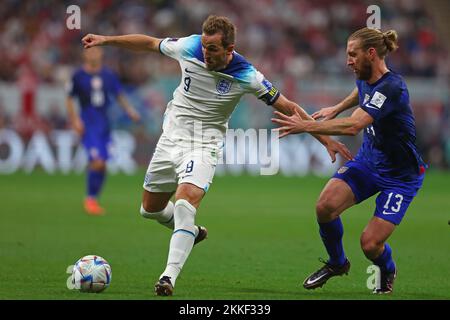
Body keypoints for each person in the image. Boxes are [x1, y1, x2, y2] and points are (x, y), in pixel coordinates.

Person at [82, 15, 352, 296]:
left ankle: (168, 277)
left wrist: (324, 139)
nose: (206, 53)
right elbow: (149, 43)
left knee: (185, 204)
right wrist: (106, 40)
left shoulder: (247, 74)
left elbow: (288, 106)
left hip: (204, 144)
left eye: (213, 49)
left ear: (229, 49)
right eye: (205, 46)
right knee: (149, 210)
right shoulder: (189, 46)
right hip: (170, 138)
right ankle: (191, 233)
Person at [272, 27, 426, 294]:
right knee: (325, 207)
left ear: (371, 53)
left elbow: (354, 126)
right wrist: (336, 107)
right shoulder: (365, 75)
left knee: (370, 244)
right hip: (369, 160)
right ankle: (337, 263)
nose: (348, 61)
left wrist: (306, 126)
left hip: (401, 177)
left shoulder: (392, 86)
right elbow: (360, 92)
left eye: (352, 55)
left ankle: (387, 268)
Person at [66, 47, 140, 215]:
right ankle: (90, 199)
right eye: (90, 51)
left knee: (103, 164)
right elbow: (69, 98)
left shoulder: (109, 75)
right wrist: (75, 120)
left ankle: (94, 199)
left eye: (96, 51)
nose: (93, 54)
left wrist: (130, 110)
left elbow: (119, 94)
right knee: (97, 161)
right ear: (84, 54)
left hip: (104, 124)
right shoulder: (78, 75)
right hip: (88, 123)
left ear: (101, 54)